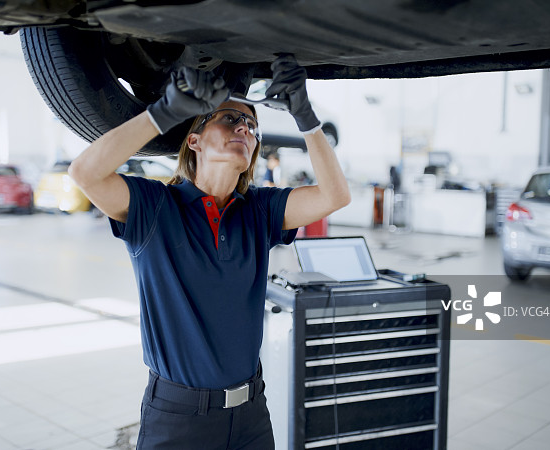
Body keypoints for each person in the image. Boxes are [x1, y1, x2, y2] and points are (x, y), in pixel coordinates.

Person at [69, 54, 350, 449]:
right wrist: (164, 112)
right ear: (194, 140)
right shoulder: (155, 207)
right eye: (229, 118)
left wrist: (305, 116)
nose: (244, 128)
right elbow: (84, 173)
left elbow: (335, 195)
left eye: (252, 126)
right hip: (180, 420)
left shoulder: (260, 211)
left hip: (251, 413)